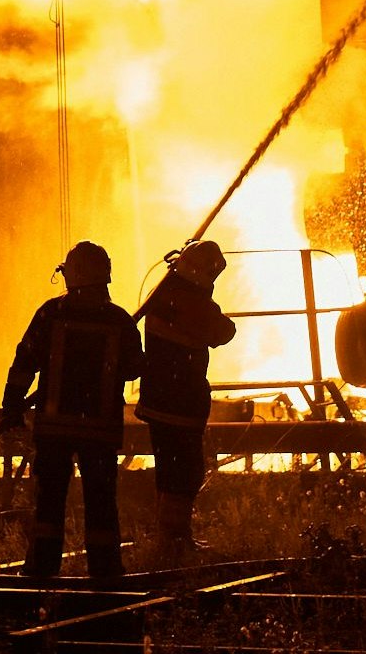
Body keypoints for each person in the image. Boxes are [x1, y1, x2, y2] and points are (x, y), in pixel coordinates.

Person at [1, 240, 144, 583]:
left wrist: (12, 403)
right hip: (101, 430)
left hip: (54, 428)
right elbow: (134, 369)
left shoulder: (51, 314)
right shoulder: (119, 320)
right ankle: (105, 569)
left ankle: (42, 568)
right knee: (101, 500)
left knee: (49, 500)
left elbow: (25, 361)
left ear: (72, 275)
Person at [135, 239, 236, 567]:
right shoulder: (191, 301)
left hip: (158, 400)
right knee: (186, 472)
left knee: (168, 470)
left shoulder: (162, 295)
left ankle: (170, 537)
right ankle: (175, 540)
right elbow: (223, 331)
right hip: (181, 402)